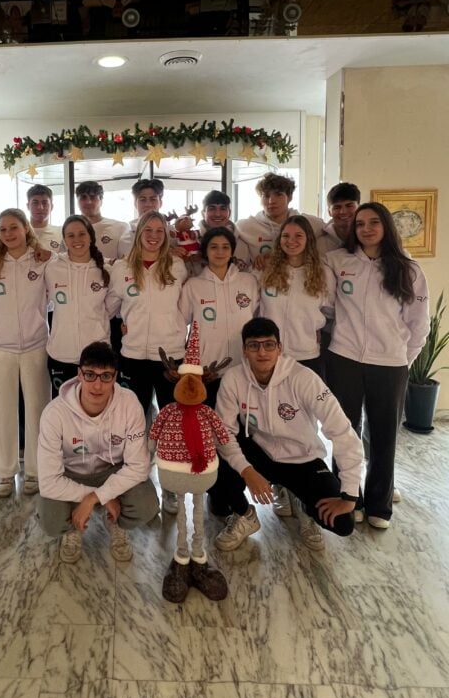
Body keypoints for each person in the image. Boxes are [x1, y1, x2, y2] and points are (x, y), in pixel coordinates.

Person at [212, 318, 363, 552]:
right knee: (211, 453)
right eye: (254, 345)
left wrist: (350, 496)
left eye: (269, 344)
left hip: (303, 460)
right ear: (244, 350)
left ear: (279, 348)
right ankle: (245, 514)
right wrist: (246, 470)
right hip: (260, 454)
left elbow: (342, 431)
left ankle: (301, 502)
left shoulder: (304, 378)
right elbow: (224, 432)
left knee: (343, 523)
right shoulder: (233, 379)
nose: (262, 352)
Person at [325, 202, 430, 529]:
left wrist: (402, 359)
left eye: (373, 223)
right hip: (344, 358)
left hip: (390, 363)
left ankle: (379, 505)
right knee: (344, 432)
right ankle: (348, 497)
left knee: (384, 436)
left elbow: (419, 324)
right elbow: (326, 306)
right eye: (360, 224)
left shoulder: (408, 269)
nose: (366, 229)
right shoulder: (338, 261)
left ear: (386, 226)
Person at [38, 341, 159, 563]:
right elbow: (47, 482)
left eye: (106, 376)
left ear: (115, 377)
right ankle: (73, 528)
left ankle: (115, 522)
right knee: (51, 521)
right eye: (90, 375)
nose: (97, 385)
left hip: (113, 471)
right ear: (79, 374)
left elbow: (139, 467)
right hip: (72, 474)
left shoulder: (129, 404)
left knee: (147, 505)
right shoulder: (54, 413)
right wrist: (99, 497)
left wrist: (95, 497)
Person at [107, 210, 188, 515]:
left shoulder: (177, 267)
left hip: (170, 357)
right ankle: (135, 482)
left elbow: (185, 309)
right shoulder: (122, 268)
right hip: (132, 357)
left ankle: (170, 486)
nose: (154, 236)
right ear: (138, 233)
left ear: (166, 236)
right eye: (148, 230)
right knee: (133, 423)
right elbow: (110, 308)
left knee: (170, 424)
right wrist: (124, 326)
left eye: (159, 231)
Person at [0, 208, 51, 498]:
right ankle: (5, 472)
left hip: (36, 345)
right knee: (2, 411)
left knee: (37, 409)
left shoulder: (43, 261)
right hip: (1, 347)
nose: (8, 234)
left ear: (26, 228)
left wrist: (47, 253)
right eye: (3, 229)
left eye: (14, 227)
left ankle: (35, 470)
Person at [179, 227, 259, 407]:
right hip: (207, 371)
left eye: (225, 247)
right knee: (207, 420)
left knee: (240, 420)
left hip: (243, 368)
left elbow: (254, 318)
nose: (220, 252)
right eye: (214, 247)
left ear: (232, 251)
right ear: (205, 251)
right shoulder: (193, 286)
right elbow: (180, 324)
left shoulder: (249, 282)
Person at [258, 215, 334, 377]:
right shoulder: (265, 270)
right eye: (286, 236)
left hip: (307, 355)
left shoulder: (323, 273)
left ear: (308, 239)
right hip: (269, 354)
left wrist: (315, 328)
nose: (291, 241)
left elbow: (331, 311)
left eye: (298, 235)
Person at [44, 215, 112, 393]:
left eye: (82, 234)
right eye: (71, 235)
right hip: (61, 354)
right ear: (64, 240)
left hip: (96, 355)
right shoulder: (52, 268)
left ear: (91, 236)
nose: (77, 239)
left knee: (96, 407)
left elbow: (111, 309)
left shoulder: (107, 269)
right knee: (63, 408)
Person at [234, 173, 324, 270]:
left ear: (289, 197)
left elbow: (332, 229)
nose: (271, 201)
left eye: (278, 195)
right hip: (261, 277)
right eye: (266, 196)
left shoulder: (310, 222)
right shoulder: (245, 226)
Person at [74, 180, 129, 261]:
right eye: (83, 197)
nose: (88, 202)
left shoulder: (120, 228)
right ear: (77, 201)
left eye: (93, 197)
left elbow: (125, 261)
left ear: (101, 200)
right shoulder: (70, 231)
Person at [117, 178, 165, 256]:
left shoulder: (172, 235)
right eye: (143, 200)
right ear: (135, 204)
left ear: (161, 203)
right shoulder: (126, 239)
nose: (148, 204)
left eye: (153, 199)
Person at [317, 182, 361, 256]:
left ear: (359, 208)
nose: (343, 212)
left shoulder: (367, 238)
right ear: (329, 212)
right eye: (337, 207)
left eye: (349, 206)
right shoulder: (320, 245)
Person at [26, 184, 64, 253]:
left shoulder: (61, 233)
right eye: (35, 203)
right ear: (28, 206)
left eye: (44, 203)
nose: (40, 207)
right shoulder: (20, 233)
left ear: (52, 206)